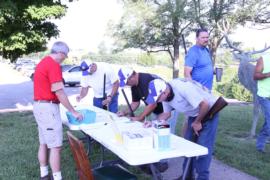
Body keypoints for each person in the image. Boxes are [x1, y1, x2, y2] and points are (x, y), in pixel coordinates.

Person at [145, 78, 219, 180]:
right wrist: (153, 122)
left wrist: (197, 122)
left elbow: (205, 104)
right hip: (195, 113)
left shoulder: (183, 88)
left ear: (165, 92)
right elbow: (167, 113)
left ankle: (202, 177)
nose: (157, 101)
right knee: (188, 146)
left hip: (209, 110)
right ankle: (187, 176)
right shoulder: (165, 95)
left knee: (203, 148)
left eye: (157, 98)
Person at [33, 41, 83, 180]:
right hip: (48, 108)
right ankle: (57, 177)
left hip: (39, 106)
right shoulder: (53, 65)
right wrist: (74, 112)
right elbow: (60, 93)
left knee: (44, 143)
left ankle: (44, 175)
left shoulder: (43, 62)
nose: (65, 58)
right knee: (56, 147)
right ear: (60, 53)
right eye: (65, 55)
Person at [117, 67, 173, 172]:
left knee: (164, 137)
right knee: (152, 133)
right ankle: (153, 161)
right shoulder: (134, 86)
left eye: (127, 81)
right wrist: (124, 112)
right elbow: (135, 103)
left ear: (132, 76)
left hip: (167, 110)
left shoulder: (147, 81)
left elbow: (153, 103)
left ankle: (163, 163)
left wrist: (140, 117)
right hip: (156, 110)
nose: (127, 84)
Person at [182, 29, 214, 137]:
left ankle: (196, 142)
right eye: (203, 37)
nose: (206, 40)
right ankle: (185, 143)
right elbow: (187, 73)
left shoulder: (206, 50)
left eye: (207, 37)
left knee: (201, 118)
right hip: (197, 91)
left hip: (207, 90)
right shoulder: (193, 52)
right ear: (197, 38)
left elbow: (203, 67)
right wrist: (194, 91)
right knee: (190, 119)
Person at [254, 55, 270, 153]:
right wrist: (268, 74)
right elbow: (255, 76)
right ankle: (260, 144)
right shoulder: (264, 58)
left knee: (269, 122)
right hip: (265, 96)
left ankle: (260, 145)